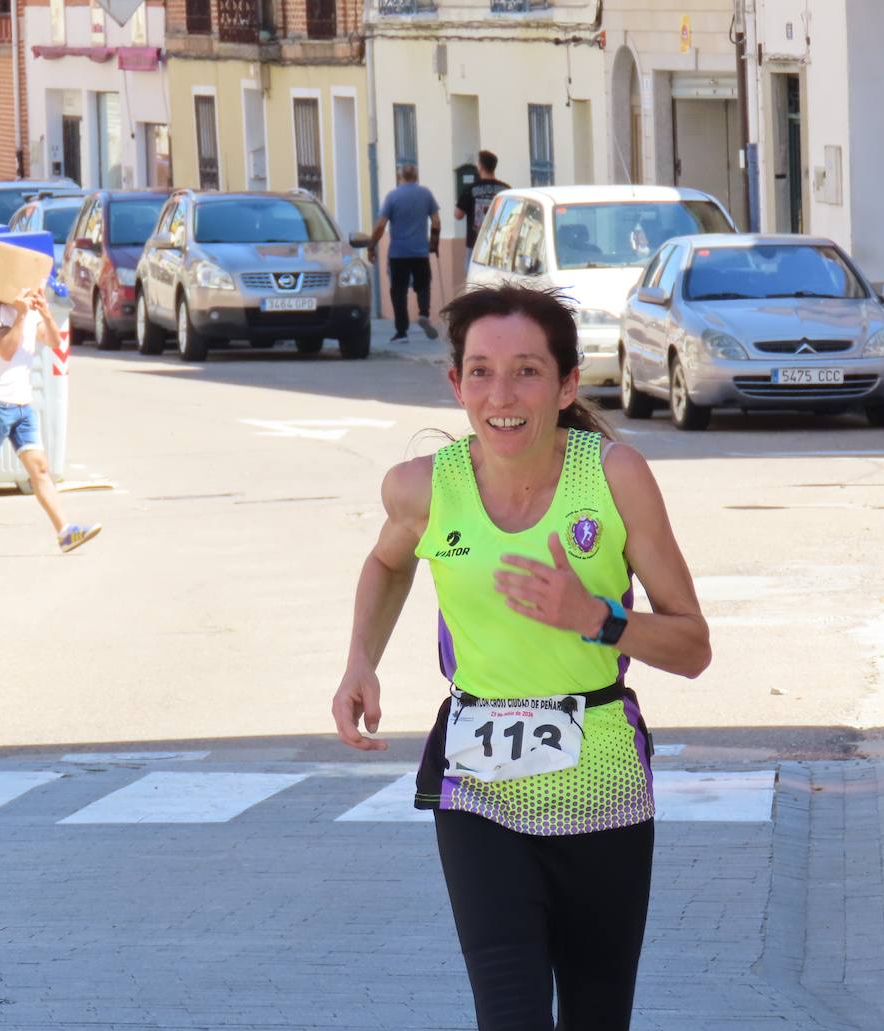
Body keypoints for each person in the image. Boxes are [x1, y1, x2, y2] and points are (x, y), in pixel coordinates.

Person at [331, 284, 710, 1029]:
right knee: (510, 1014)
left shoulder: (613, 476)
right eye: (480, 371)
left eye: (527, 371)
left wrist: (597, 618)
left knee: (597, 1016)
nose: (500, 394)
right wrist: (359, 659)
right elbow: (387, 564)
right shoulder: (420, 489)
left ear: (568, 384)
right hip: (480, 788)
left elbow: (693, 644)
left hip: (602, 780)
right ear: (455, 383)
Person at [0, 287, 101, 557]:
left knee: (40, 469)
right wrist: (21, 316)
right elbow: (6, 351)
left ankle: (65, 532)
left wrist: (45, 313)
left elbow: (55, 342)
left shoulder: (30, 312)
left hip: (23, 407)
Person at [368, 165, 441, 343]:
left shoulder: (392, 197)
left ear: (399, 177)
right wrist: (434, 243)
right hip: (420, 251)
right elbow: (436, 221)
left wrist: (371, 246)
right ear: (416, 176)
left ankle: (401, 331)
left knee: (398, 292)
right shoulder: (426, 194)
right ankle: (423, 313)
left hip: (398, 253)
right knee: (423, 285)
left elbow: (380, 225)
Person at [454, 150, 510, 271]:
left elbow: (458, 214)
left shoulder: (471, 189)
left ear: (480, 166)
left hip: (475, 245)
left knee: (474, 283)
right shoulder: (505, 190)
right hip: (499, 246)